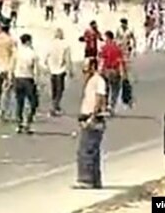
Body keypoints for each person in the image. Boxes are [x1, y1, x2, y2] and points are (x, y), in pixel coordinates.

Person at [75, 58, 108, 189]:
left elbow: (100, 98)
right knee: (91, 150)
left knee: (87, 150)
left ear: (93, 67)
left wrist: (93, 117)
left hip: (93, 118)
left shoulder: (98, 81)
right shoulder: (90, 81)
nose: (84, 70)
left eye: (86, 67)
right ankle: (95, 180)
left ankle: (87, 180)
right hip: (87, 117)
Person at [12, 33, 39, 134]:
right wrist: (37, 81)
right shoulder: (32, 53)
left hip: (18, 78)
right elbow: (35, 70)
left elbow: (12, 65)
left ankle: (19, 124)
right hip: (28, 78)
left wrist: (10, 78)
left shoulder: (17, 52)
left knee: (20, 102)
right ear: (28, 41)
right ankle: (28, 122)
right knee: (33, 102)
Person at [45, 28, 73, 116]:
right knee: (60, 89)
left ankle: (55, 105)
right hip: (61, 70)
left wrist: (47, 66)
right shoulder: (65, 45)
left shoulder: (50, 44)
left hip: (52, 69)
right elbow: (67, 59)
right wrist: (70, 70)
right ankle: (55, 105)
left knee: (54, 89)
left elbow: (46, 57)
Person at [98, 31, 126, 114]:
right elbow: (121, 61)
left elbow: (101, 60)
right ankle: (111, 105)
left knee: (105, 89)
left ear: (108, 38)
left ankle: (105, 105)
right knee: (115, 89)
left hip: (106, 70)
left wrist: (99, 71)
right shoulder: (117, 48)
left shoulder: (104, 48)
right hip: (114, 70)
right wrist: (123, 72)